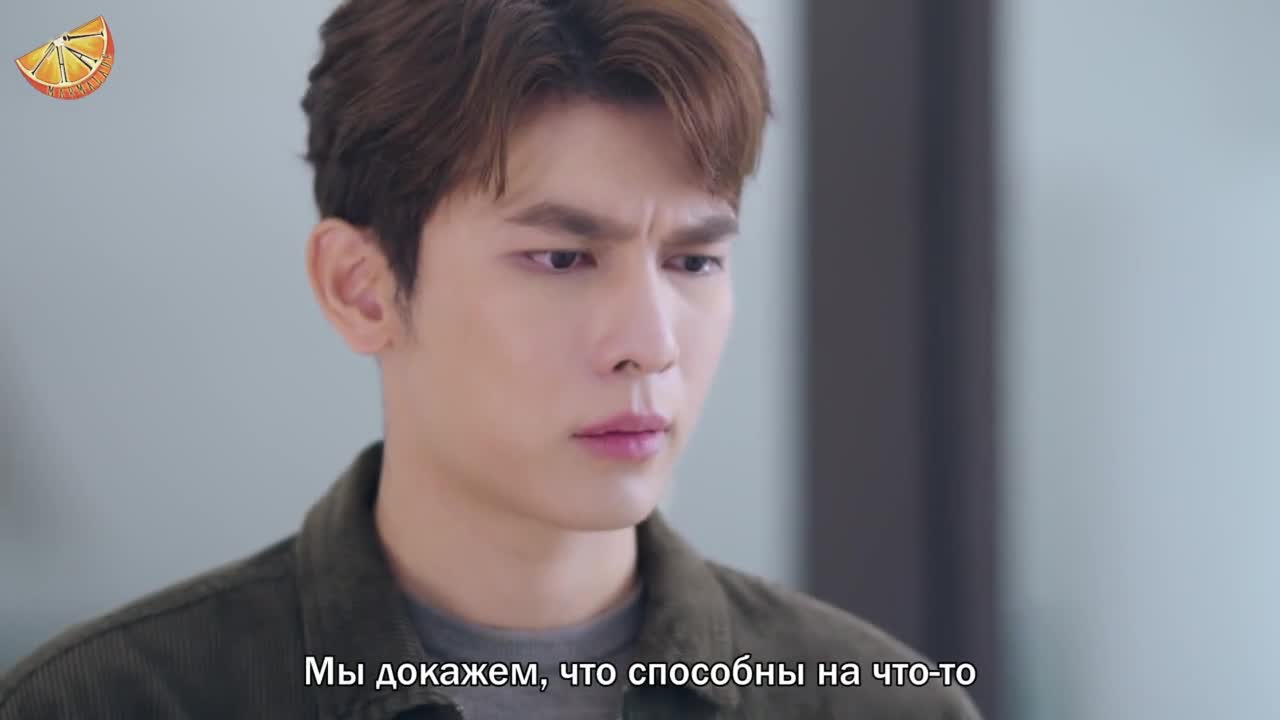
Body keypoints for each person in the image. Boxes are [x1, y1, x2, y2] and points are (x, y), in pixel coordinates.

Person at [0, 1, 983, 718]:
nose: (649, 343)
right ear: (362, 289)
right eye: (561, 258)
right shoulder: (114, 701)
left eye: (693, 261)